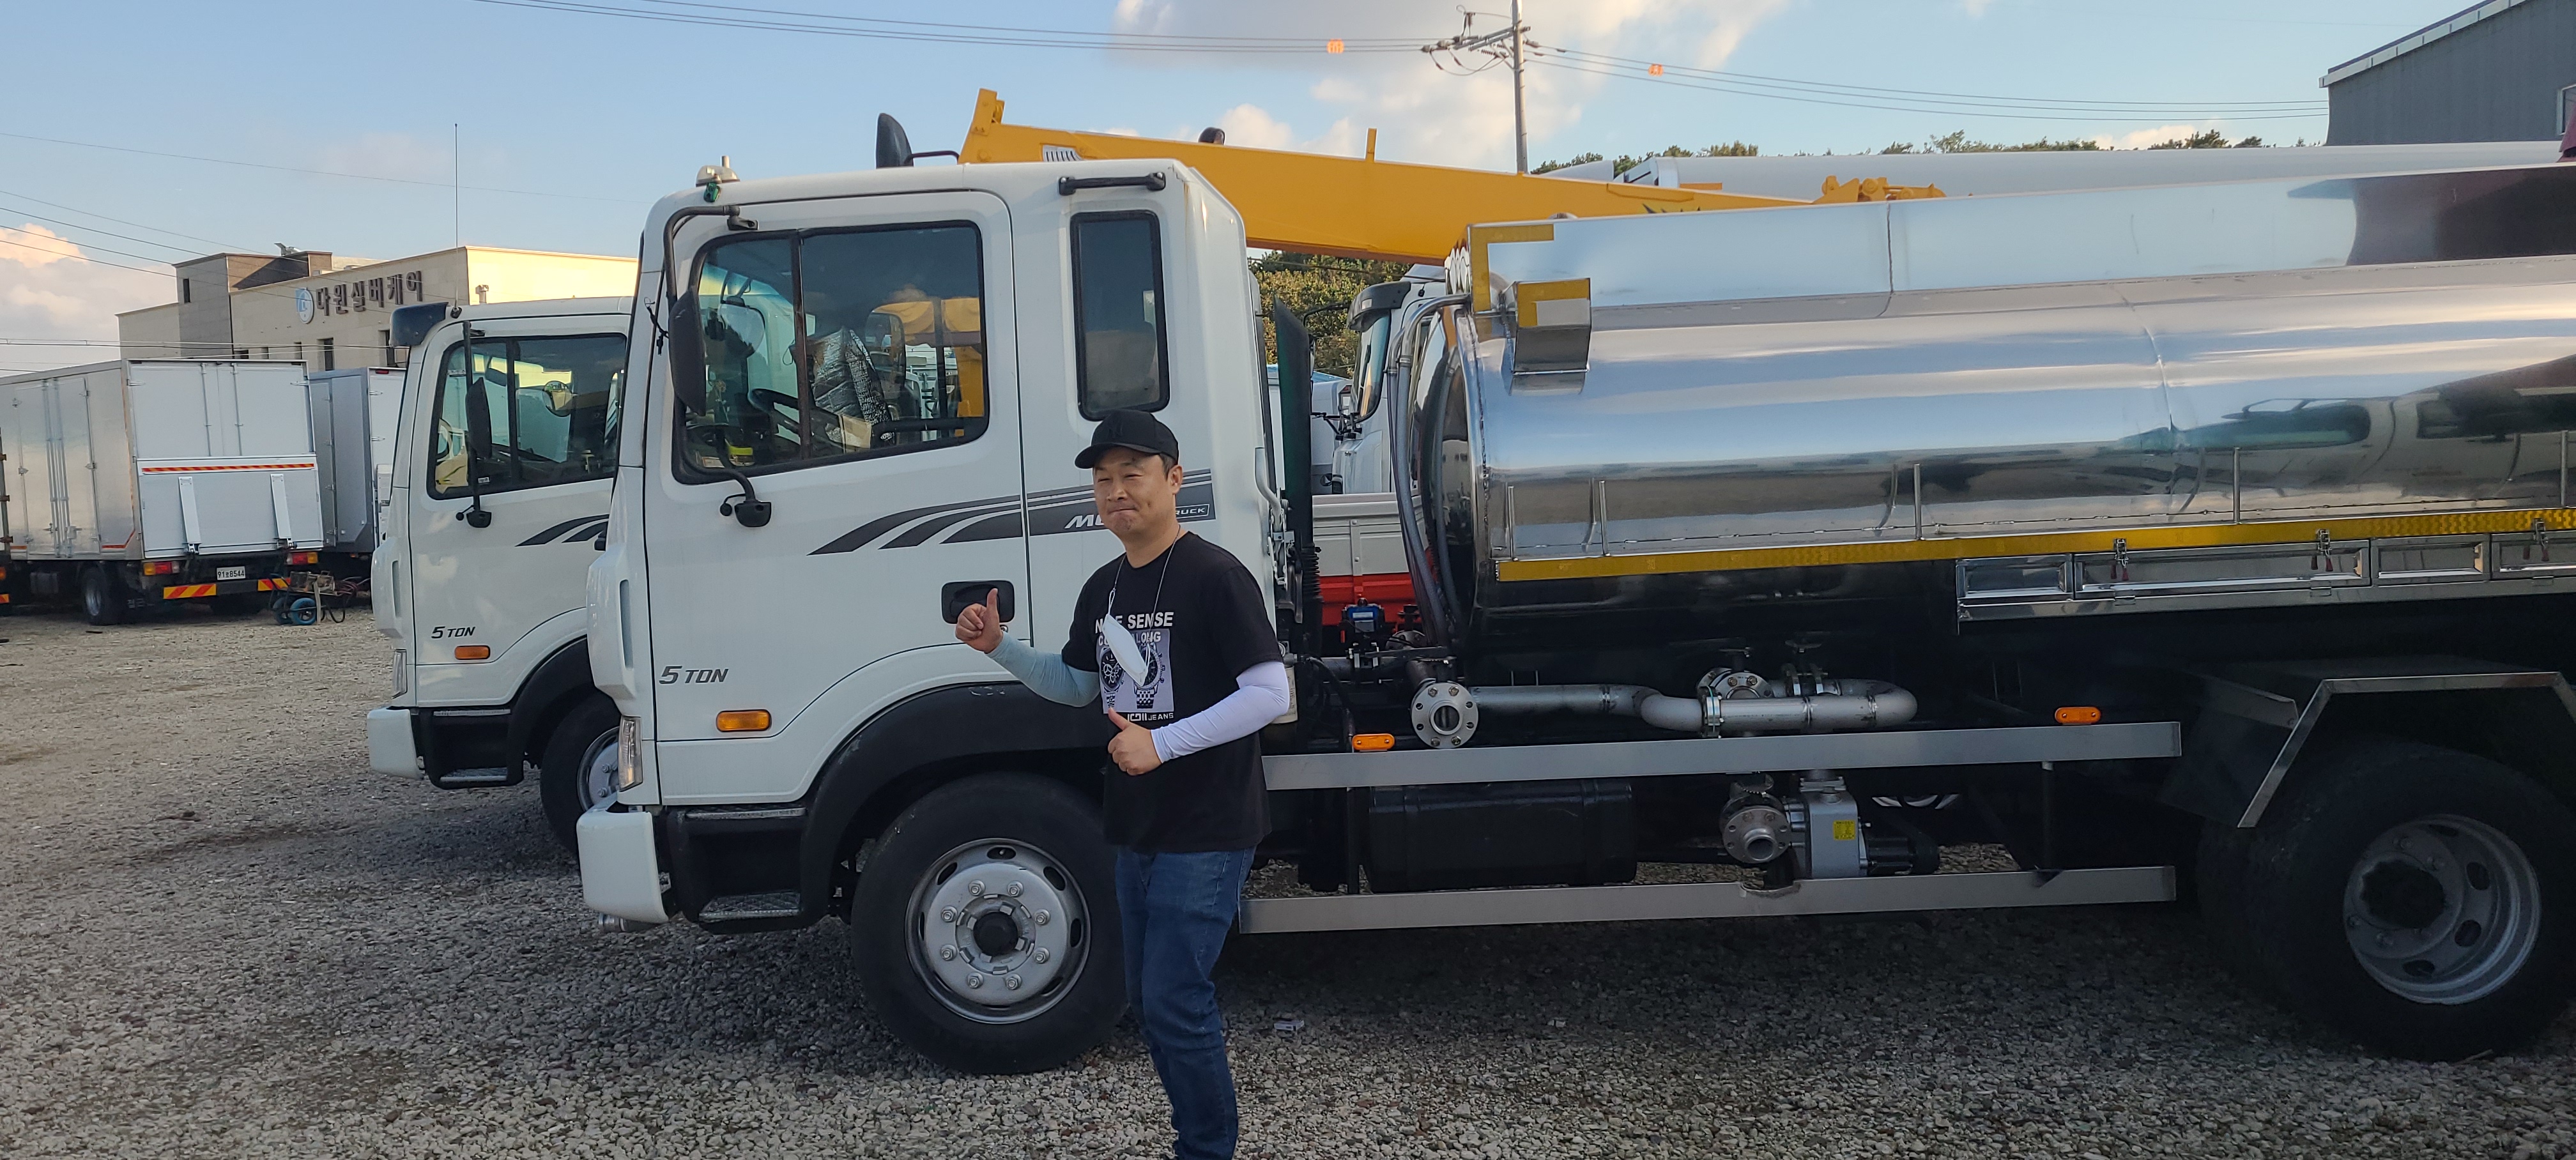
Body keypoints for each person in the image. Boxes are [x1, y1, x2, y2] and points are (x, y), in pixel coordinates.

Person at [954, 409, 1289, 1160]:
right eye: (1103, 480)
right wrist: (1001, 647)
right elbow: (1076, 685)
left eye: (1132, 474)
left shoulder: (1215, 576)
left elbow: (1270, 693)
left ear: (1175, 479)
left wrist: (1161, 744)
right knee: (1149, 999)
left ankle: (1206, 1150)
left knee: (1174, 1000)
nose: (1116, 491)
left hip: (1207, 826)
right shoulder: (1104, 587)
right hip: (1137, 824)